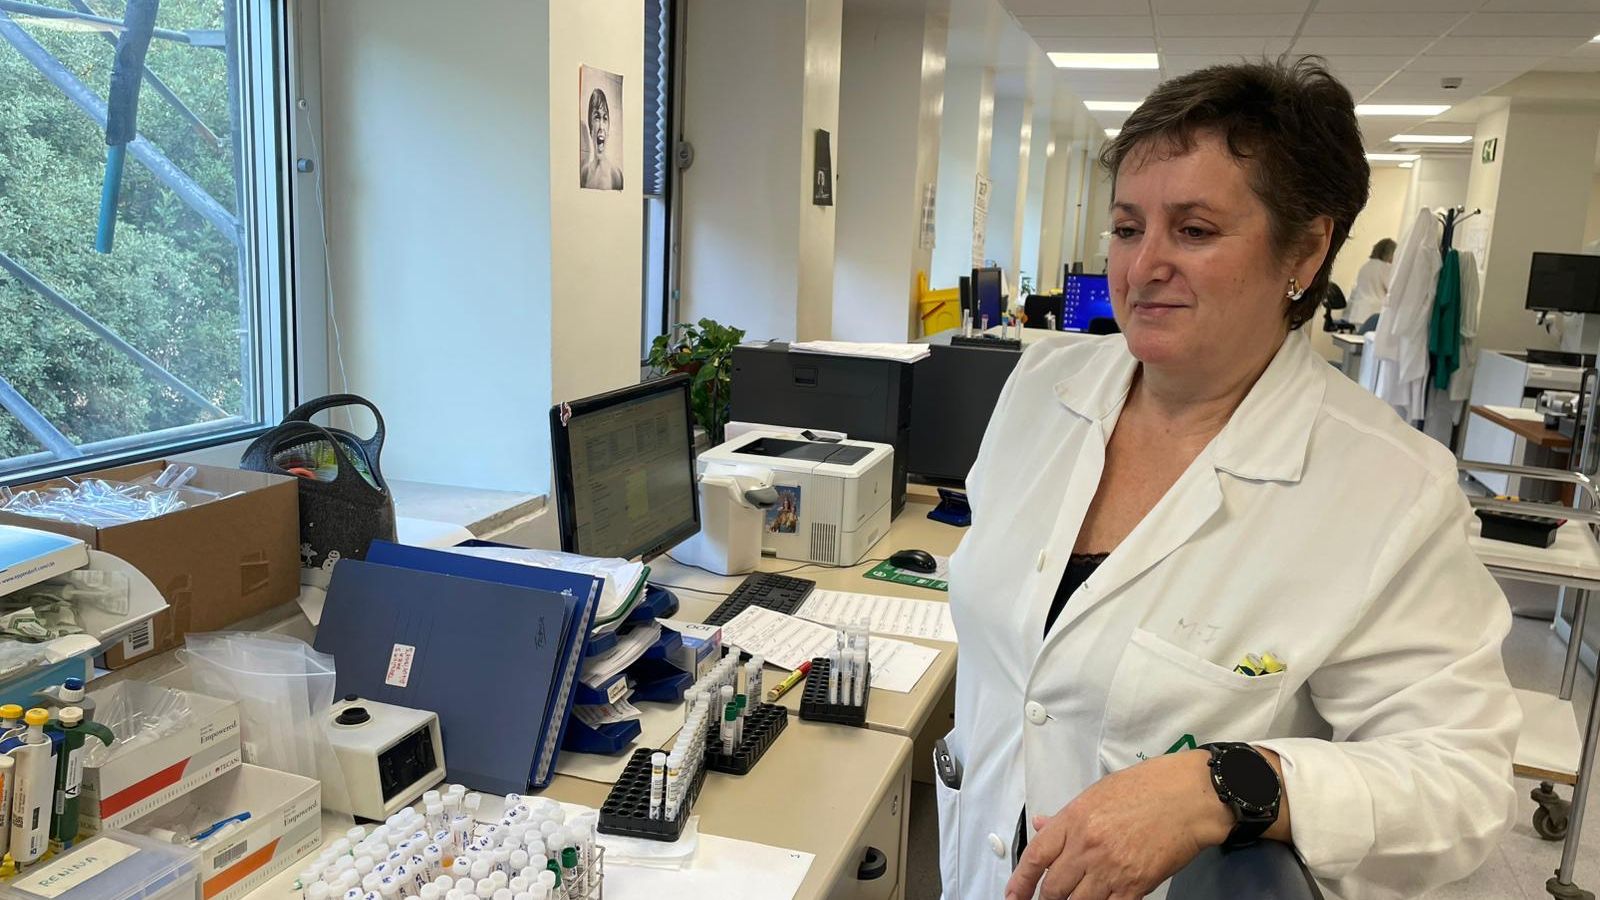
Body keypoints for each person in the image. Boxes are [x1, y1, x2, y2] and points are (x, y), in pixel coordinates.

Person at [937, 57, 1519, 900]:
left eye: (1195, 230)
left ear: (1307, 249)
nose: (1144, 268)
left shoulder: (1389, 487)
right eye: (1129, 228)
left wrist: (1225, 785)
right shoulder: (1040, 388)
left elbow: (1462, 784)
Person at [1347, 237, 1396, 332]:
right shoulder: (1384, 267)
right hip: (1373, 313)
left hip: (1359, 313)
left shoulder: (1365, 266)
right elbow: (1393, 289)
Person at [580, 88, 622, 190]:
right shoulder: (584, 174)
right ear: (591, 128)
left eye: (605, 118)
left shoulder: (615, 175)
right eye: (597, 117)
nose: (601, 127)